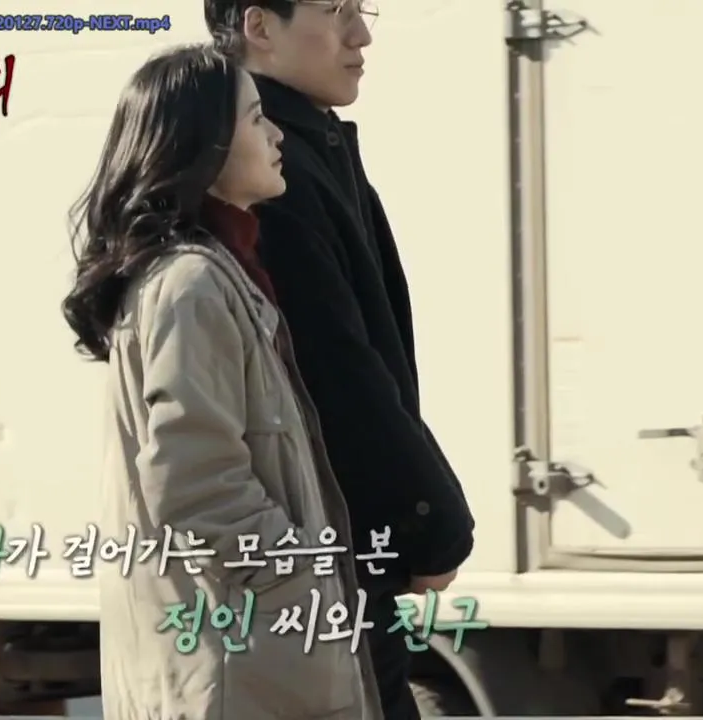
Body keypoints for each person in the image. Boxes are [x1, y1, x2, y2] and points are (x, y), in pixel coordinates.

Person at [60, 43, 381, 720]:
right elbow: (196, 484)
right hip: (240, 672)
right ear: (204, 147)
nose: (276, 135)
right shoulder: (192, 283)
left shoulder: (210, 273)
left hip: (244, 665)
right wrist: (301, 581)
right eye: (257, 118)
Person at [204, 2, 477, 717]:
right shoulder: (271, 175)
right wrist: (429, 517)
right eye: (336, 11)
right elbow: (337, 370)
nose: (361, 34)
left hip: (338, 557)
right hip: (321, 563)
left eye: (363, 10)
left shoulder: (312, 150)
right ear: (260, 27)